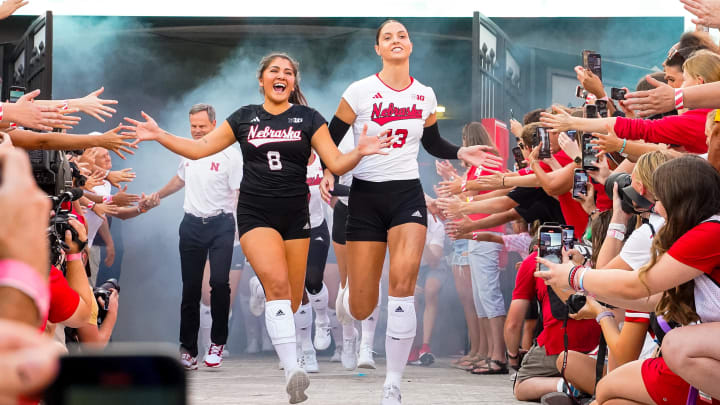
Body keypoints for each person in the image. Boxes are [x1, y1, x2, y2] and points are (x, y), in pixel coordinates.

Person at [122, 52, 393, 404]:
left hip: (297, 217)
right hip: (255, 215)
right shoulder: (244, 118)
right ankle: (292, 368)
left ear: (293, 82)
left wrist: (361, 151)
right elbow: (200, 148)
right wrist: (160, 135)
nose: (282, 76)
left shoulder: (309, 118)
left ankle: (271, 311)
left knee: (294, 298)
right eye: (274, 71)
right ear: (262, 79)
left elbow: (336, 161)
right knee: (277, 286)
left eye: (289, 72)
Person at [323, 20, 502, 404]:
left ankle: (393, 383)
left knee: (402, 288)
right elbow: (329, 138)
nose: (395, 40)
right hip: (365, 197)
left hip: (406, 196)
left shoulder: (424, 94)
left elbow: (433, 141)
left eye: (401, 35)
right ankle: (352, 290)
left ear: (410, 44)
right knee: (361, 306)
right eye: (387, 37)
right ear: (378, 49)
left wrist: (460, 152)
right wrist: (328, 169)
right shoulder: (359, 91)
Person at [536, 155, 720, 405]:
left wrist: (575, 277)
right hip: (691, 359)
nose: (654, 207)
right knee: (607, 395)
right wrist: (581, 286)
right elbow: (653, 299)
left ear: (678, 198)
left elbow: (635, 285)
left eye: (659, 199)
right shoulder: (698, 230)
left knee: (675, 345)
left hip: (680, 360)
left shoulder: (709, 231)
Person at [152, 103, 243, 370]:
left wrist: (239, 229)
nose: (197, 131)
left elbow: (238, 193)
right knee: (190, 288)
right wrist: (158, 194)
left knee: (218, 283)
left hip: (222, 225)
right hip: (191, 224)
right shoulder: (188, 151)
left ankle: (217, 342)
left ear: (214, 125)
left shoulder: (231, 154)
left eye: (202, 126)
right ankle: (188, 350)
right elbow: (180, 180)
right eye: (193, 126)